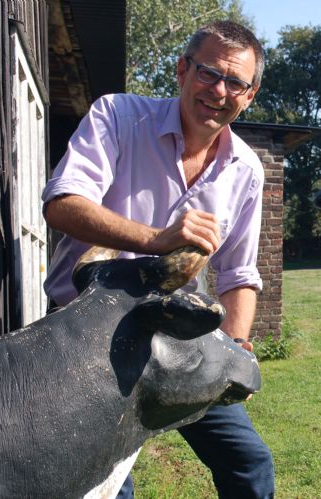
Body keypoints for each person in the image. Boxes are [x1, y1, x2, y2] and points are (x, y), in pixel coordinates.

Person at [41, 20, 274, 498]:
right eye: (210, 73)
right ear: (182, 69)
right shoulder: (119, 116)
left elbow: (238, 274)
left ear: (249, 96)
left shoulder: (246, 169)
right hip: (87, 332)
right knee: (108, 485)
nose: (220, 90)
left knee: (249, 464)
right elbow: (62, 204)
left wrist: (235, 344)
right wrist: (156, 239)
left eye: (236, 83)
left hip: (180, 338)